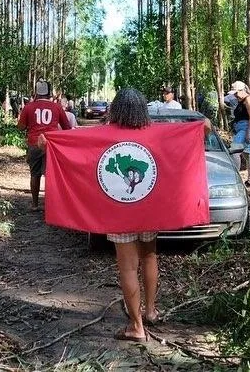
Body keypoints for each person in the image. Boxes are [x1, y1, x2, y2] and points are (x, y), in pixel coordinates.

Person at [99, 88, 160, 342]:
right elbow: (199, 132)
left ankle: (136, 326)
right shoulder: (156, 134)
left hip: (119, 212)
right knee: (149, 257)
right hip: (148, 210)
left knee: (127, 267)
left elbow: (72, 142)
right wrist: (205, 127)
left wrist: (48, 141)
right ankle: (151, 311)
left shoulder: (104, 136)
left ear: (116, 109)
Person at [17, 80, 73, 210]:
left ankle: (35, 204)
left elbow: (20, 127)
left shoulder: (29, 107)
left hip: (34, 143)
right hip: (51, 145)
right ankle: (52, 206)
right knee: (51, 175)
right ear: (49, 92)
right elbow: (67, 127)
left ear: (36, 92)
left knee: (34, 174)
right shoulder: (57, 107)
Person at [224, 81, 250, 187]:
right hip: (243, 129)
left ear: (242, 90)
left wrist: (248, 132)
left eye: (236, 92)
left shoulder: (249, 99)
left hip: (248, 129)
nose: (235, 95)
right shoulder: (240, 100)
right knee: (248, 154)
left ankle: (236, 179)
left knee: (234, 151)